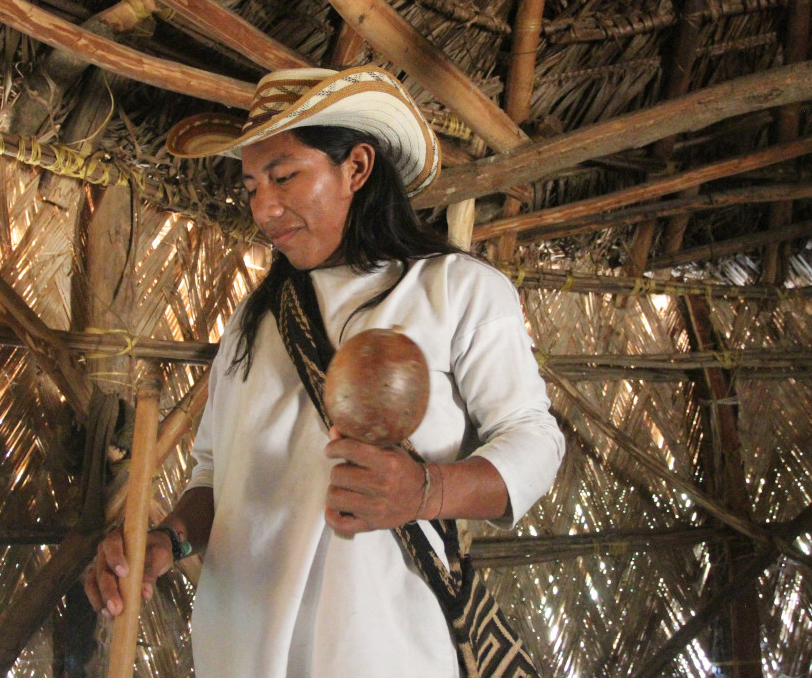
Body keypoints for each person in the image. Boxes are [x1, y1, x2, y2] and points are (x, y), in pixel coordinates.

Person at [84, 66, 564, 677]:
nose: (264, 206)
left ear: (357, 168)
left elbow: (535, 439)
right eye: (252, 184)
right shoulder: (253, 321)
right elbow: (215, 475)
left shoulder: (456, 290)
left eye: (284, 177)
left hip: (381, 651)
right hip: (237, 650)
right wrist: (167, 542)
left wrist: (426, 492)